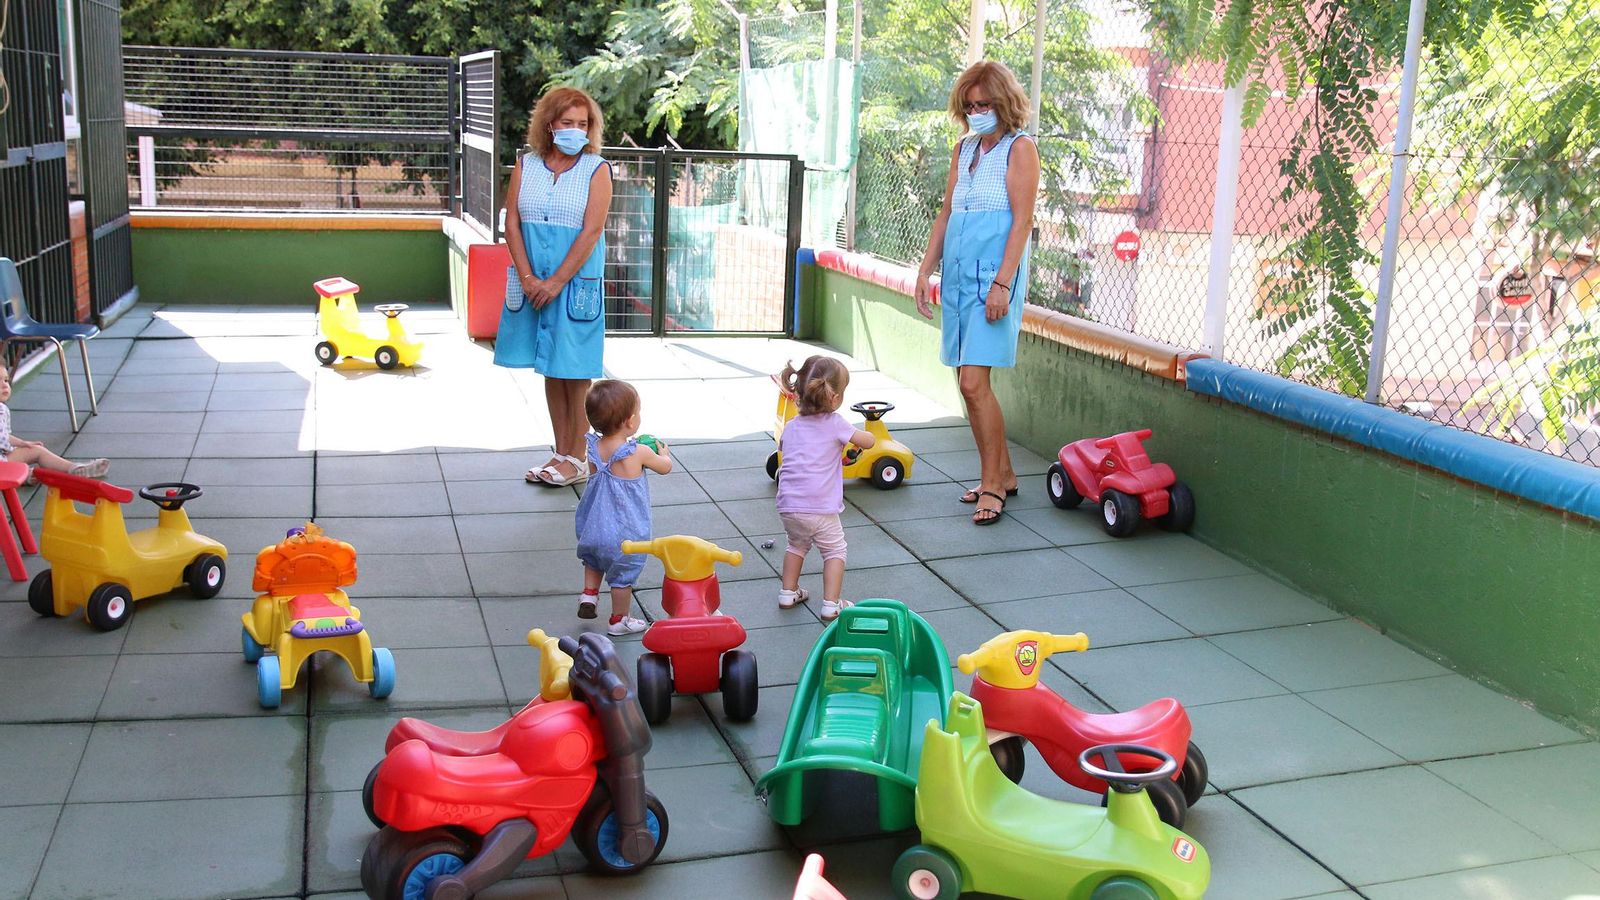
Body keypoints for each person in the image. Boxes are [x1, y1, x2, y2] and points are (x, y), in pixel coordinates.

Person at [913, 60, 1040, 526]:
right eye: (969, 106)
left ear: (1003, 104)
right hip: (959, 277)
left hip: (994, 278)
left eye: (984, 104)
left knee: (973, 382)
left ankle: (992, 487)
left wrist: (1002, 283)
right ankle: (1003, 473)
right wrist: (926, 269)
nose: (976, 112)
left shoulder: (1020, 149)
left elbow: (1022, 222)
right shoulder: (964, 149)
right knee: (965, 383)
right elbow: (946, 213)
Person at [496, 86, 615, 488]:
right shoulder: (526, 166)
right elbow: (512, 222)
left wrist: (556, 281)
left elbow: (592, 230)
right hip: (532, 282)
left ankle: (578, 457)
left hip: (573, 283)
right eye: (568, 123)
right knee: (550, 367)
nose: (576, 131)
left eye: (583, 124)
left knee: (575, 369)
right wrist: (529, 279)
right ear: (549, 124)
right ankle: (561, 451)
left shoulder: (597, 169)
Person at [774, 356, 876, 621]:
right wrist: (868, 435)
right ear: (835, 398)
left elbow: (789, 451)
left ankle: (788, 591)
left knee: (796, 545)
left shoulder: (791, 427)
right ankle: (831, 604)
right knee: (834, 551)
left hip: (788, 506)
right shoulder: (836, 422)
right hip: (819, 507)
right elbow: (867, 442)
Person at [573, 379, 671, 636]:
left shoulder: (593, 446)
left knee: (594, 560)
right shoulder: (637, 452)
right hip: (625, 531)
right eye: (638, 412)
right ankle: (619, 619)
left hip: (594, 524)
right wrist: (664, 454)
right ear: (630, 421)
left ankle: (589, 594)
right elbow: (665, 468)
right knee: (622, 576)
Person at [0, 370, 107, 480]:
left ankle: (73, 469)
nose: (4, 385)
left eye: (6, 380)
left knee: (35, 449)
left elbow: (5, 435)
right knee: (37, 452)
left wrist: (21, 443)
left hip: (3, 459)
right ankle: (18, 474)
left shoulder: (3, 409)